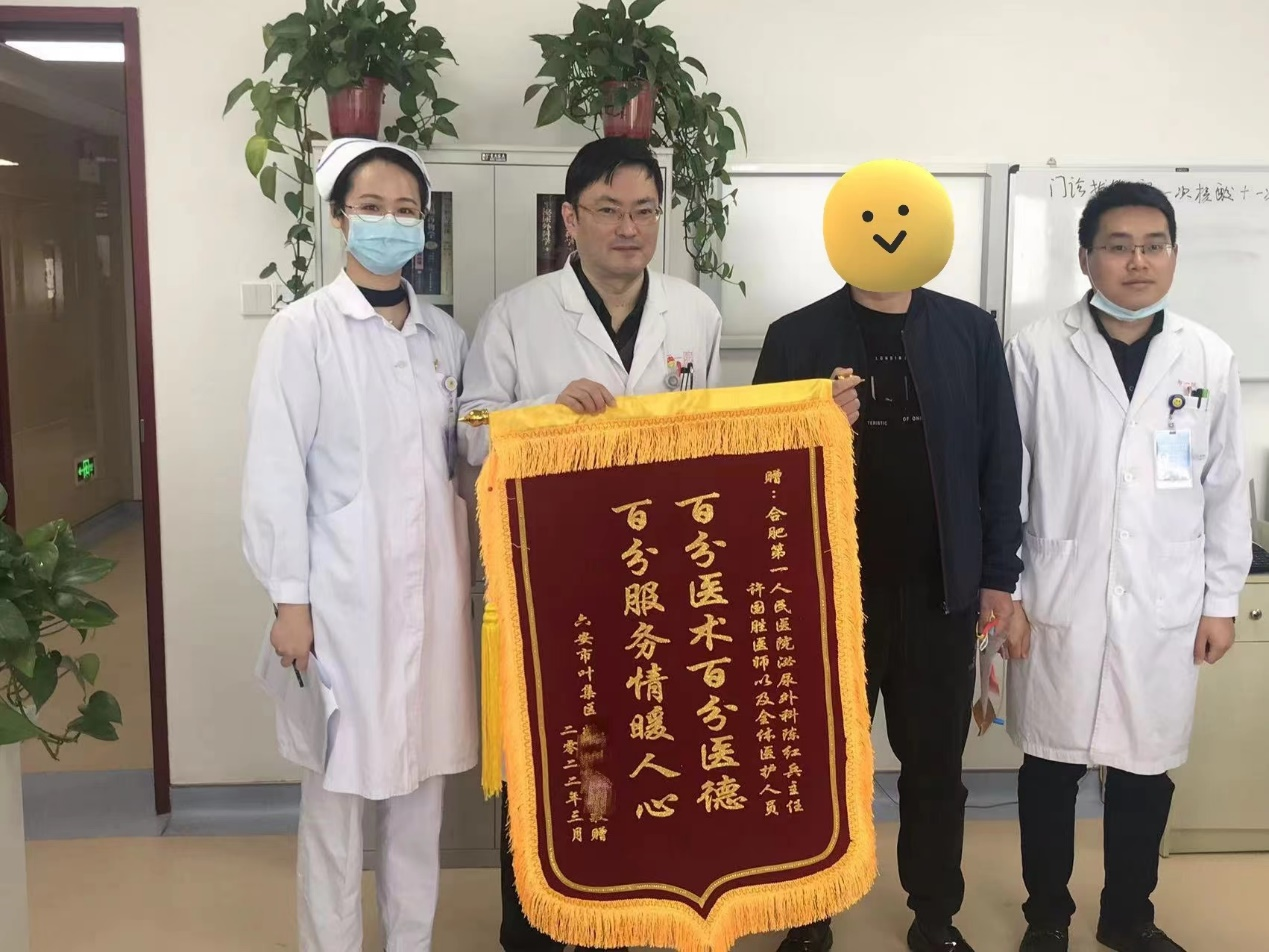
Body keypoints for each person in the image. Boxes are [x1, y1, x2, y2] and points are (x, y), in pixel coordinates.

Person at [458, 135, 723, 952]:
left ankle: (632, 919)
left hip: (655, 576)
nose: (627, 229)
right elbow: (469, 430)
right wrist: (545, 409)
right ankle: (534, 931)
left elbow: (709, 434)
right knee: (546, 756)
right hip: (552, 573)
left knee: (645, 744)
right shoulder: (517, 313)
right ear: (570, 221)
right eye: (607, 211)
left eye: (643, 211)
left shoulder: (694, 312)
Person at [753, 168, 1023, 952]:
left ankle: (934, 917)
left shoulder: (969, 332)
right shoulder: (795, 335)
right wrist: (814, 422)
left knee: (934, 765)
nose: (887, 230)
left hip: (940, 591)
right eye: (870, 217)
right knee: (818, 763)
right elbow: (758, 465)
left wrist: (997, 576)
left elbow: (998, 458)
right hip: (827, 594)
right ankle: (808, 916)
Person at [242, 137, 477, 952]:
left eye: (406, 210)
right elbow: (275, 472)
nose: (390, 223)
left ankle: (410, 942)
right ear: (340, 218)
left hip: (431, 600)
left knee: (419, 799)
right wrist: (290, 604)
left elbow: (462, 455)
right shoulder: (302, 332)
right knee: (336, 803)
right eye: (372, 207)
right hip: (340, 603)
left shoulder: (443, 338)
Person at [1003, 181, 1250, 952]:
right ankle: (1046, 917)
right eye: (1117, 246)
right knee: (1048, 770)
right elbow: (1006, 483)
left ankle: (1126, 917)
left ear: (1172, 254)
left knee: (1145, 773)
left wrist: (1219, 601)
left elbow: (1224, 487)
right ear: (1085, 258)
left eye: (1152, 245)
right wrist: (1010, 593)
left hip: (1162, 602)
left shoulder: (1205, 356)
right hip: (1058, 594)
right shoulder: (1035, 350)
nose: (1136, 262)